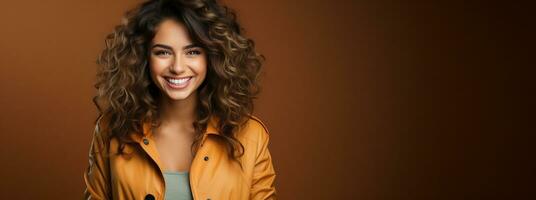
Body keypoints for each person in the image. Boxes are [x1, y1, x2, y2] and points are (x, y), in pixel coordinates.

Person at [82, 0, 276, 199]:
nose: (177, 67)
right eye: (163, 52)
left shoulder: (250, 136)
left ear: (213, 57)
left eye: (193, 52)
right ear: (143, 57)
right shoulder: (111, 131)